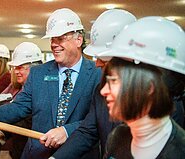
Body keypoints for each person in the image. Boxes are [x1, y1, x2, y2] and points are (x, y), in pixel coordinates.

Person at [0, 8, 102, 158]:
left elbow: (98, 120)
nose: (54, 44)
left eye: (60, 38)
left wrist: (66, 131)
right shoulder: (39, 73)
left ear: (79, 39)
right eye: (52, 39)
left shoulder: (97, 74)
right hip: (39, 154)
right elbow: (19, 106)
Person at [52, 9, 137, 159]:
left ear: (128, 59)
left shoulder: (162, 100)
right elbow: (88, 131)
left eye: (103, 60)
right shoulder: (101, 91)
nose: (97, 64)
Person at [99, 17, 185, 158]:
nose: (103, 91)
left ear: (149, 87)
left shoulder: (179, 151)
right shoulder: (117, 137)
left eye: (113, 81)